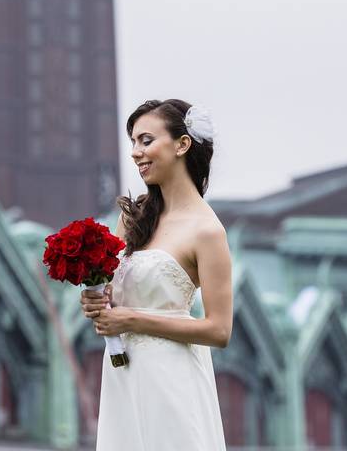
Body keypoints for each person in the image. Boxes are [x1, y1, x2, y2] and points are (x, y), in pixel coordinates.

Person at [80, 98, 232, 450]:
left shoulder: (207, 231)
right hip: (123, 375)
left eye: (146, 140)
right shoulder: (133, 219)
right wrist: (94, 299)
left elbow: (219, 330)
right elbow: (114, 299)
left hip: (172, 377)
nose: (135, 152)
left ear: (182, 144)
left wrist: (131, 320)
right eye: (132, 142)